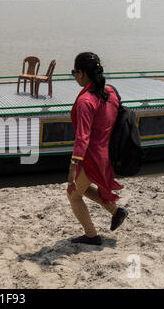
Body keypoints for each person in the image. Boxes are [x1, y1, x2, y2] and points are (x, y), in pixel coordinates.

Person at [67, 52, 128, 245]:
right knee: (83, 189)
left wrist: (73, 167)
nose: (75, 76)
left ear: (82, 73)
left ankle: (91, 235)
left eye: (74, 72)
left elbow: (83, 137)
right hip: (107, 153)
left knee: (73, 194)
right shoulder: (110, 92)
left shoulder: (86, 101)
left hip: (91, 156)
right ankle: (115, 211)